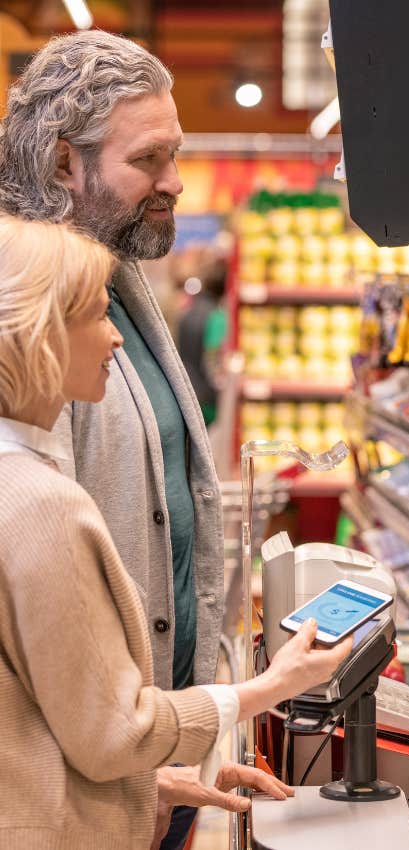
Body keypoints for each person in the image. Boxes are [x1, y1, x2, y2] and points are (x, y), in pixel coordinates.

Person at [0, 215, 353, 850]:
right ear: (39, 335)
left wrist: (149, 784)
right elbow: (116, 732)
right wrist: (272, 686)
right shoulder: (43, 506)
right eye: (95, 316)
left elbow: (32, 715)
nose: (114, 339)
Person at [0, 30, 253, 848]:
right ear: (65, 165)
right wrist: (130, 771)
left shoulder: (119, 276)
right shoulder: (24, 312)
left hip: (149, 752)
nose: (174, 183)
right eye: (149, 160)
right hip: (86, 785)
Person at [177, 259, 228, 426]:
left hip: (185, 388)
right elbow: (211, 356)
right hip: (205, 396)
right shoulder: (216, 316)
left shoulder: (189, 311)